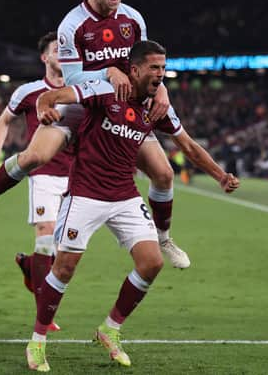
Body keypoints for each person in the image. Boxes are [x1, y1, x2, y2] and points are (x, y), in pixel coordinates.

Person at [0, 0, 191, 269]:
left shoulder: (133, 19)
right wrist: (107, 72)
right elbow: (73, 78)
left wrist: (160, 89)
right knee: (35, 156)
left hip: (122, 109)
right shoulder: (72, 25)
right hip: (83, 106)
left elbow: (145, 63)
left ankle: (163, 238)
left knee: (163, 173)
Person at [24, 40, 239, 371]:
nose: (160, 75)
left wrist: (220, 176)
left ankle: (110, 329)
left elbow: (189, 147)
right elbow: (52, 96)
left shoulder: (155, 108)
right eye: (154, 68)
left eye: (164, 69)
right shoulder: (103, 91)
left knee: (152, 263)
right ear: (134, 69)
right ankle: (37, 342)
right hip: (85, 195)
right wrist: (44, 109)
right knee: (64, 268)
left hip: (124, 195)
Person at [0, 32, 67, 332]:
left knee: (63, 250)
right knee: (45, 237)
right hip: (42, 173)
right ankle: (44, 316)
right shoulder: (29, 91)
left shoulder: (80, 89)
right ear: (45, 57)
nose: (62, 53)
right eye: (57, 49)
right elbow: (4, 120)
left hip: (78, 177)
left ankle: (31, 266)